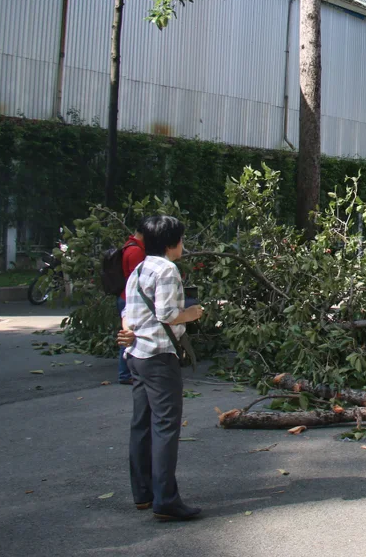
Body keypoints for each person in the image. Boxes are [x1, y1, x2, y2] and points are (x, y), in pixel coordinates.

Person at [118, 215, 203, 521]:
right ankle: (166, 500)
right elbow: (168, 314)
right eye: (180, 239)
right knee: (166, 427)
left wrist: (127, 331)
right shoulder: (167, 270)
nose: (183, 244)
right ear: (170, 243)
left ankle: (143, 494)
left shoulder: (140, 267)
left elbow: (128, 310)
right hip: (159, 357)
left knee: (141, 424)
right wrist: (192, 313)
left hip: (137, 355)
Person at [117, 232, 144, 385]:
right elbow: (139, 279)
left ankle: (126, 372)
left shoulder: (129, 246)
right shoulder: (136, 251)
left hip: (125, 297)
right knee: (129, 336)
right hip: (130, 299)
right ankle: (125, 374)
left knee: (128, 335)